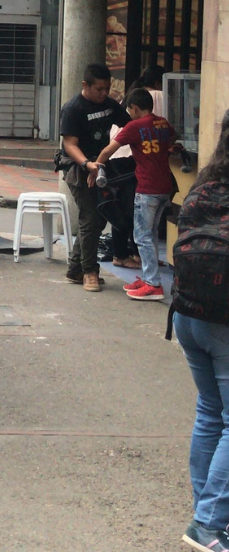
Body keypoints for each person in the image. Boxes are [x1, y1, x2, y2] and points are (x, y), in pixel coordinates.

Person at [172, 108, 229, 552]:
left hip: (187, 314)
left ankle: (206, 513)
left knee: (211, 412)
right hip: (223, 321)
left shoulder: (204, 186)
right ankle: (207, 523)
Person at [93, 88, 176, 301]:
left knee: (142, 236)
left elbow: (108, 150)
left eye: (129, 110)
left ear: (135, 108)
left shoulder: (134, 126)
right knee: (151, 234)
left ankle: (152, 284)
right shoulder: (162, 123)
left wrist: (96, 167)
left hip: (147, 189)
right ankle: (148, 277)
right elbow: (172, 141)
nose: (129, 114)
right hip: (165, 188)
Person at [59, 62, 130, 292]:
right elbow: (70, 145)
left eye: (107, 88)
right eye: (99, 89)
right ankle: (90, 271)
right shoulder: (73, 108)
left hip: (101, 167)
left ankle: (75, 268)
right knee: (90, 218)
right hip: (78, 168)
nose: (104, 93)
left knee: (99, 218)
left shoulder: (109, 105)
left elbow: (129, 126)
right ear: (85, 85)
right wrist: (87, 164)